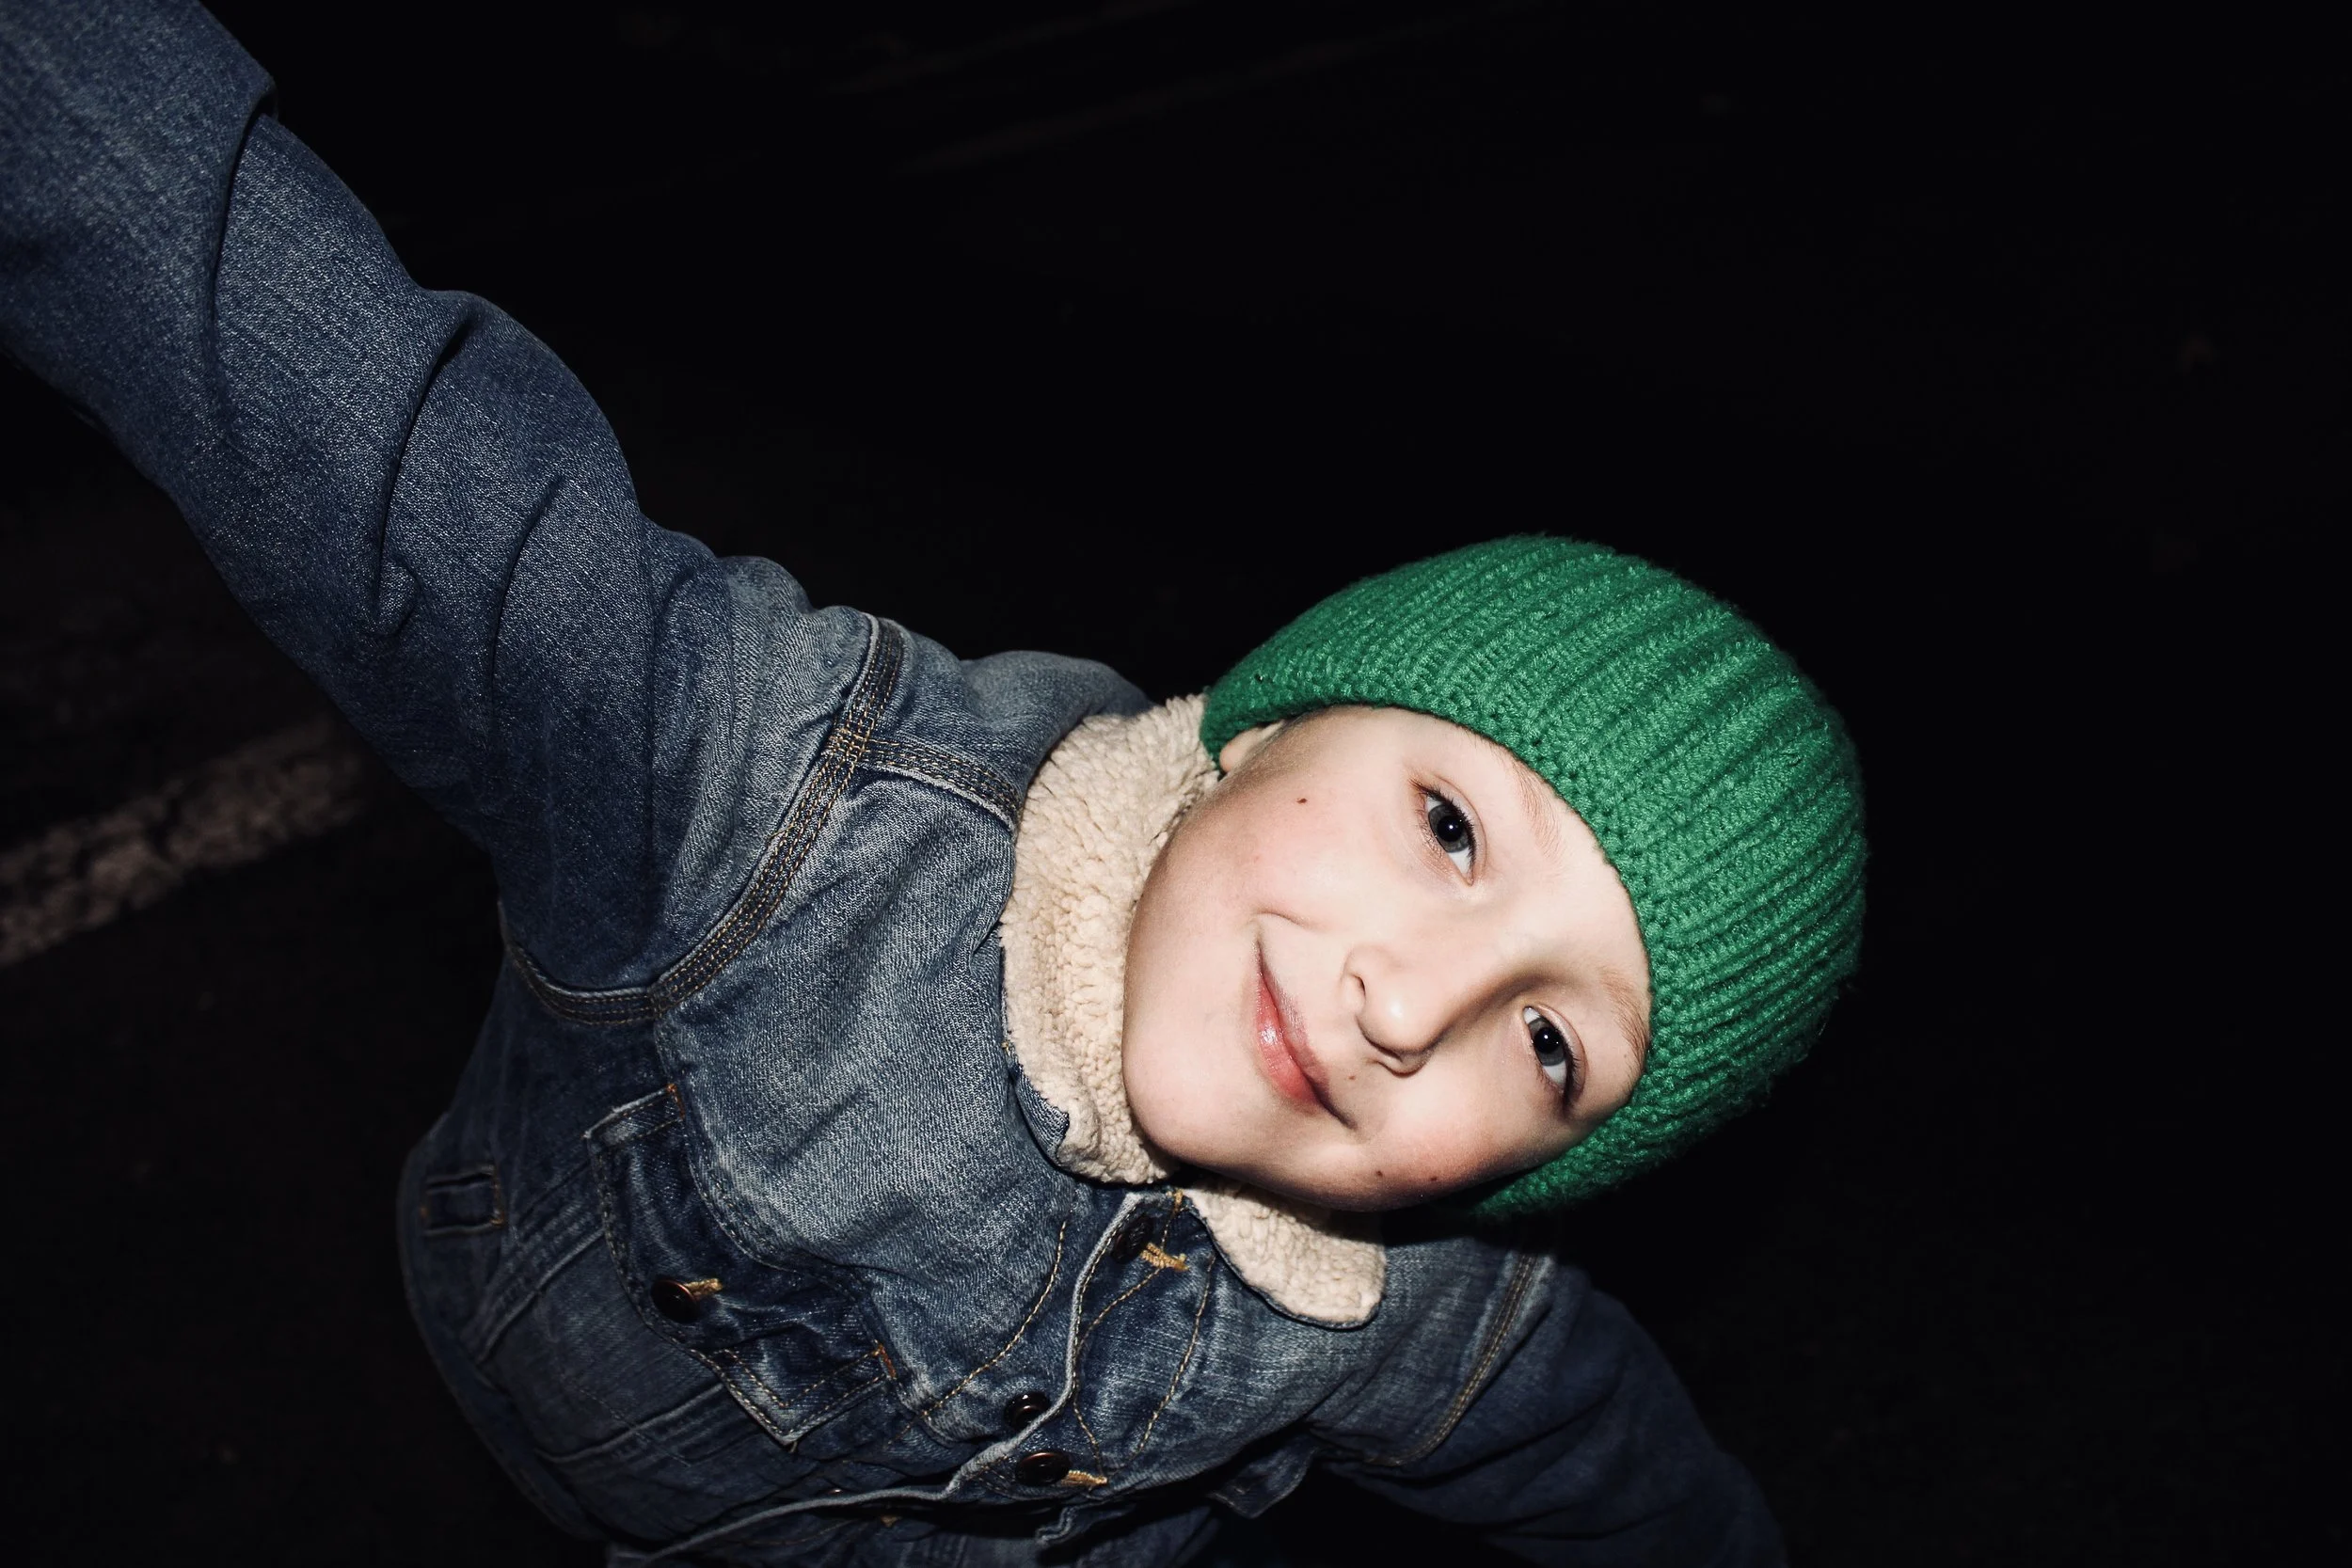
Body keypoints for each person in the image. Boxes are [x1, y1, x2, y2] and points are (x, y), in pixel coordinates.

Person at [0, 3, 1865, 1563]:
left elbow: (1620, 1471)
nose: (1411, 1004)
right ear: (1268, 717)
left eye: (1551, 1047)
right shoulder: (743, 794)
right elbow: (312, 390)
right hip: (465, 1377)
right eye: (1449, 825)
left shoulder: (1416, 1313)